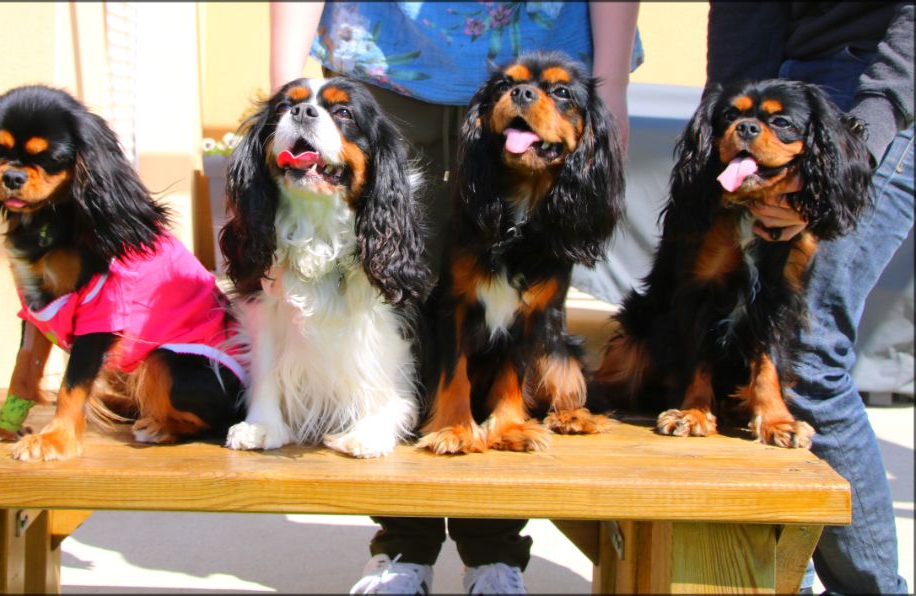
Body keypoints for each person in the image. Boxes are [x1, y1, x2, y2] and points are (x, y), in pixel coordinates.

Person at [268, 2, 642, 593]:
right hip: (386, 67)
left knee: (523, 317)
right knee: (393, 313)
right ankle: (402, 547)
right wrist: (284, 95)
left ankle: (494, 552)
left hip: (546, 46)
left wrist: (612, 84)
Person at [708, 3, 913, 593]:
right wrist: (725, 123)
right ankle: (776, 583)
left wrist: (849, 151)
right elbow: (744, 22)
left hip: (884, 87)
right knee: (735, 338)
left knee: (806, 349)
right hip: (785, 85)